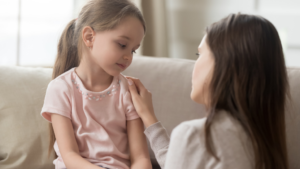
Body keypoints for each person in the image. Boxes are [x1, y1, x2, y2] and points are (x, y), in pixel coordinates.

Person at [126, 13, 289, 169]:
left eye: (200, 54)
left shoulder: (195, 135)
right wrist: (149, 117)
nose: (194, 65)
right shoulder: (264, 140)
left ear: (224, 65)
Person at [40, 0, 151, 169]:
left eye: (133, 50)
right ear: (89, 37)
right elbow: (69, 156)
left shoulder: (128, 90)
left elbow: (141, 158)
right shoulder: (60, 89)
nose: (129, 56)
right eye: (122, 45)